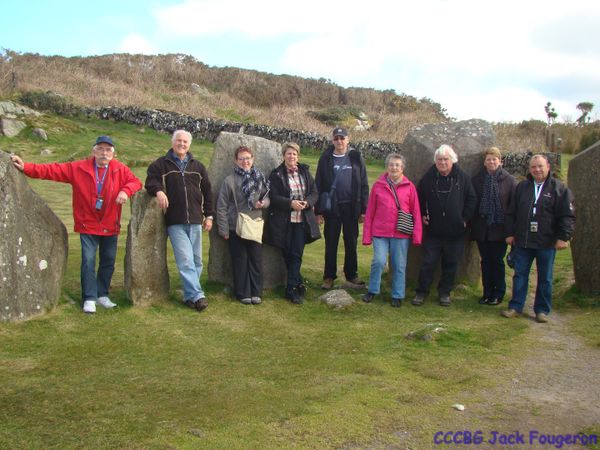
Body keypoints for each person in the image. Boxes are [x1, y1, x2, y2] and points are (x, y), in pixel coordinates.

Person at [11, 136, 142, 314]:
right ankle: (89, 297)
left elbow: (135, 181)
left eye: (108, 150)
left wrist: (125, 191)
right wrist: (26, 167)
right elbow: (52, 170)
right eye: (101, 149)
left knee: (108, 261)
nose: (104, 153)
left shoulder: (120, 169)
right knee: (88, 261)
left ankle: (102, 294)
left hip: (110, 224)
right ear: (93, 151)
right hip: (87, 223)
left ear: (114, 153)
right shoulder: (78, 167)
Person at [145, 130, 214, 313]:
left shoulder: (198, 167)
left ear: (189, 144)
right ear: (172, 142)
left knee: (197, 261)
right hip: (175, 220)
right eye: (179, 141)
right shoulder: (161, 164)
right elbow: (150, 180)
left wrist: (209, 216)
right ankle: (198, 296)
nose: (182, 144)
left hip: (196, 220)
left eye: (185, 141)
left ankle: (189, 296)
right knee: (185, 261)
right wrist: (158, 191)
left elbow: (208, 192)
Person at [501, 154, 575, 323]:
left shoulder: (559, 189)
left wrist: (563, 237)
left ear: (548, 166)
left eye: (540, 166)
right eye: (534, 167)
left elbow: (567, 216)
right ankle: (515, 306)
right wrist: (509, 234)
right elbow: (511, 212)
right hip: (523, 240)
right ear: (530, 169)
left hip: (546, 241)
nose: (537, 169)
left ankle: (542, 310)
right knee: (520, 275)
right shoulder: (522, 187)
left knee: (545, 277)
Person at [412, 144, 477, 307]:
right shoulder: (429, 177)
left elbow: (472, 198)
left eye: (445, 159)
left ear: (452, 160)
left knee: (451, 264)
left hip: (455, 231)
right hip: (434, 231)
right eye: (439, 159)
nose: (442, 162)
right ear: (435, 161)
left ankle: (445, 293)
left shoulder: (462, 177)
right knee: (428, 263)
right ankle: (421, 292)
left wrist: (465, 218)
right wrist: (422, 215)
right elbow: (418, 197)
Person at [362, 153, 422, 307]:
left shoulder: (410, 188)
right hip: (380, 232)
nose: (394, 167)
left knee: (399, 265)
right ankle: (373, 290)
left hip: (401, 233)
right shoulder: (378, 185)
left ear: (402, 168)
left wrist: (416, 235)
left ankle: (397, 294)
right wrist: (367, 235)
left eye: (397, 165)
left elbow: (416, 212)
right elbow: (370, 212)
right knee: (379, 261)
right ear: (387, 167)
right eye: (391, 164)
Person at [264, 142, 321, 304]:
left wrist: (307, 203)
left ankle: (290, 290)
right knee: (288, 255)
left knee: (296, 254)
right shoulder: (276, 174)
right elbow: (273, 197)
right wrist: (291, 203)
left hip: (302, 220)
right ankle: (299, 282)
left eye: (294, 154)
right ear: (283, 156)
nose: (292, 156)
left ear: (298, 156)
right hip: (283, 221)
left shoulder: (305, 171)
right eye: (288, 153)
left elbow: (314, 192)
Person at [315, 126, 369, 290]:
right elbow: (318, 185)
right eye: (336, 138)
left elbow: (364, 184)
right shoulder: (325, 158)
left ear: (348, 139)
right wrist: (318, 211)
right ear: (332, 140)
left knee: (351, 242)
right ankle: (329, 277)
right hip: (332, 207)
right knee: (331, 243)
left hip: (352, 208)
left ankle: (351, 274)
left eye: (342, 138)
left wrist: (364, 210)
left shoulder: (356, 157)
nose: (339, 141)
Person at [216, 146, 270, 305]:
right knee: (240, 260)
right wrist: (223, 228)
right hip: (236, 225)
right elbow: (222, 205)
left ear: (252, 159)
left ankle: (256, 292)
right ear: (236, 161)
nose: (245, 161)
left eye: (247, 158)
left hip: (254, 224)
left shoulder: (259, 178)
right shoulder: (229, 180)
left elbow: (268, 197)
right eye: (241, 158)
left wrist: (264, 203)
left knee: (256, 259)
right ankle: (242, 292)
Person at [470, 147, 517, 306]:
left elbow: (513, 207)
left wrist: (511, 231)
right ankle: (487, 292)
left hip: (500, 228)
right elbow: (473, 204)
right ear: (484, 162)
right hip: (482, 228)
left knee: (496, 261)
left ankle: (498, 292)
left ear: (500, 161)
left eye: (494, 159)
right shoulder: (477, 180)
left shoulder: (509, 180)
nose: (491, 162)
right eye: (489, 159)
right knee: (485, 261)